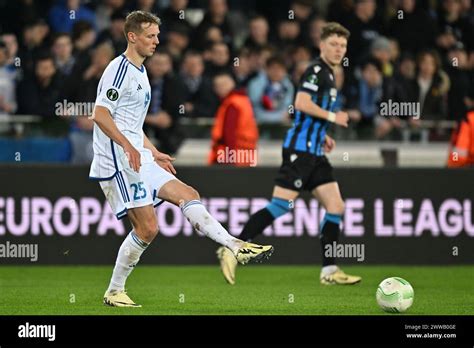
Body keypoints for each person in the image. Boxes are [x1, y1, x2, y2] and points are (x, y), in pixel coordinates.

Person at [89, 11, 273, 308]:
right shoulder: (118, 69)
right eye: (150, 36)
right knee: (148, 229)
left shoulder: (140, 71)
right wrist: (128, 147)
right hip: (117, 159)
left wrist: (150, 150)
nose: (157, 41)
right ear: (132, 36)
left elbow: (131, 125)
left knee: (188, 194)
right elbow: (100, 114)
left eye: (158, 36)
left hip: (136, 154)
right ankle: (114, 291)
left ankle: (235, 245)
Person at [217, 22, 362, 286]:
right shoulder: (316, 70)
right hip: (299, 151)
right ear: (322, 45)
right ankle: (232, 247)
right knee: (280, 206)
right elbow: (301, 104)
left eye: (342, 45)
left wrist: (323, 134)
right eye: (334, 44)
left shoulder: (329, 74)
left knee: (336, 206)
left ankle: (329, 271)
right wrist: (333, 117)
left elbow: (309, 115)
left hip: (315, 151)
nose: (339, 49)